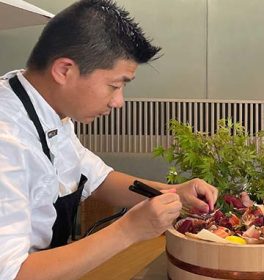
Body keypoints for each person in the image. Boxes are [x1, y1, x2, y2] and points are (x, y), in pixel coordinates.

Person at [0, 0, 218, 279]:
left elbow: (97, 178)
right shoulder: (6, 139)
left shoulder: (47, 107)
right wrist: (128, 230)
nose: (119, 102)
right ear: (64, 70)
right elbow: (12, 273)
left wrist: (175, 193)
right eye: (114, 86)